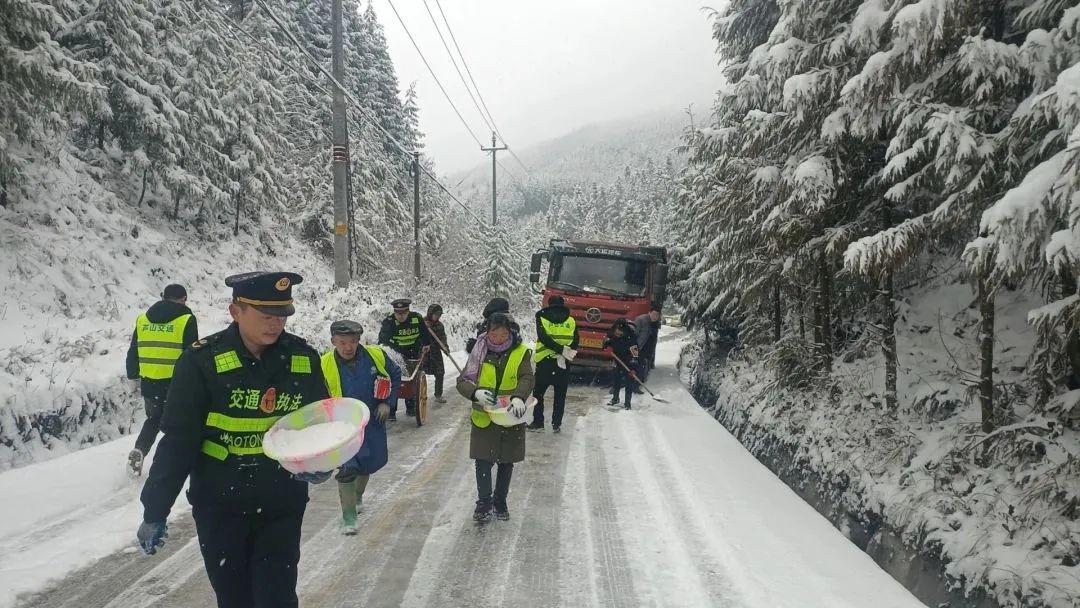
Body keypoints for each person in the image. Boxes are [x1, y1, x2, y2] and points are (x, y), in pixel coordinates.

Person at [137, 271, 331, 608]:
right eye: (266, 316)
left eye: (282, 316)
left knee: (277, 598)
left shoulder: (303, 358)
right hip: (220, 504)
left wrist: (322, 461)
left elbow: (321, 424)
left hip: (281, 501)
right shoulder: (201, 362)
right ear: (235, 311)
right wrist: (155, 508)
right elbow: (178, 442)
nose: (275, 325)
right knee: (234, 598)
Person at [320, 320, 400, 535]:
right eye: (342, 342)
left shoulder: (376, 356)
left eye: (353, 342)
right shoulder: (324, 364)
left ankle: (357, 497)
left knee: (369, 462)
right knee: (347, 467)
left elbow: (395, 374)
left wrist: (387, 402)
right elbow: (317, 395)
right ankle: (348, 518)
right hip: (343, 425)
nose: (348, 347)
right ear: (333, 341)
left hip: (373, 420)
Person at [456, 312, 534, 522]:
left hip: (511, 416)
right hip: (485, 417)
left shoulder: (520, 353)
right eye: (494, 333)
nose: (499, 338)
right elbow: (462, 381)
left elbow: (527, 377)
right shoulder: (478, 352)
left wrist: (519, 397)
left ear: (511, 333)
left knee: (506, 461)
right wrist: (475, 393)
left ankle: (500, 501)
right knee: (483, 460)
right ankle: (484, 503)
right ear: (486, 332)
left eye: (503, 334)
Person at [125, 283, 199, 475]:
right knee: (181, 423)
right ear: (183, 299)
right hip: (176, 383)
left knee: (154, 419)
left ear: (163, 297)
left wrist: (132, 376)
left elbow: (133, 350)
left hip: (150, 382)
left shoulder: (143, 320)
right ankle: (170, 464)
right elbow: (192, 354)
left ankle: (140, 450)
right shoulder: (186, 319)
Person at [527, 295, 579, 433]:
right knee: (560, 395)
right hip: (563, 363)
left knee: (538, 393)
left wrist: (557, 349)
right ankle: (557, 423)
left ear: (549, 305)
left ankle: (538, 422)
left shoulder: (542, 318)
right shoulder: (571, 320)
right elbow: (576, 340)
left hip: (545, 362)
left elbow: (543, 337)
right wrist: (564, 351)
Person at [377, 298, 431, 420]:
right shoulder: (389, 322)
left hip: (413, 352)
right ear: (394, 312)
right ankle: (392, 411)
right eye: (398, 313)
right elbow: (383, 341)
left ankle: (411, 407)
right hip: (396, 354)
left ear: (408, 311)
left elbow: (424, 334)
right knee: (394, 380)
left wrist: (426, 345)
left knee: (412, 379)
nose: (400, 316)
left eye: (403, 313)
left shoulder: (416, 319)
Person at [604, 318, 639, 410]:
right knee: (616, 380)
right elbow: (606, 343)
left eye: (619, 331)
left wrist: (633, 368)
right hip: (617, 361)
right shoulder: (613, 336)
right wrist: (606, 345)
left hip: (629, 363)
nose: (617, 333)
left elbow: (635, 355)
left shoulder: (631, 339)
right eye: (616, 331)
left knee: (629, 383)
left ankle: (627, 403)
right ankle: (615, 398)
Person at [632, 303, 663, 387]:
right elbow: (634, 335)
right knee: (635, 367)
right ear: (649, 312)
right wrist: (634, 348)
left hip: (646, 349)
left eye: (657, 315)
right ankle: (632, 386)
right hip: (638, 348)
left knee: (641, 367)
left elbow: (653, 338)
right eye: (654, 314)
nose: (655, 316)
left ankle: (637, 385)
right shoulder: (641, 320)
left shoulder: (655, 324)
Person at [424, 304, 448, 404]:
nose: (438, 317)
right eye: (436, 314)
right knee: (419, 374)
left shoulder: (440, 325)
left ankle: (438, 395)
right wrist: (424, 327)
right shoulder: (422, 323)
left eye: (439, 315)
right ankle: (417, 396)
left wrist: (445, 347)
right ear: (430, 313)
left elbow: (442, 338)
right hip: (424, 352)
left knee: (440, 372)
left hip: (435, 352)